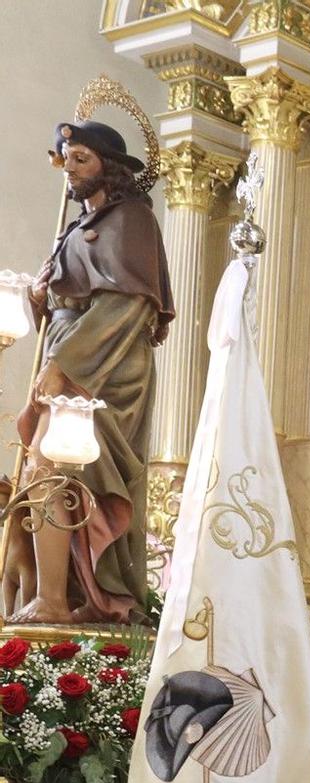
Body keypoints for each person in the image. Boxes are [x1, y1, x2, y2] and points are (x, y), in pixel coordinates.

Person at [7, 120, 171, 625]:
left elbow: (123, 306)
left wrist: (62, 366)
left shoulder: (132, 221)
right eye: (67, 158)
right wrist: (40, 299)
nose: (71, 169)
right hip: (73, 353)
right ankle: (52, 593)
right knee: (38, 474)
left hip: (106, 367)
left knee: (55, 468)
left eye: (82, 158)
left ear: (111, 167)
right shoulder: (76, 227)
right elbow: (67, 303)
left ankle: (61, 598)